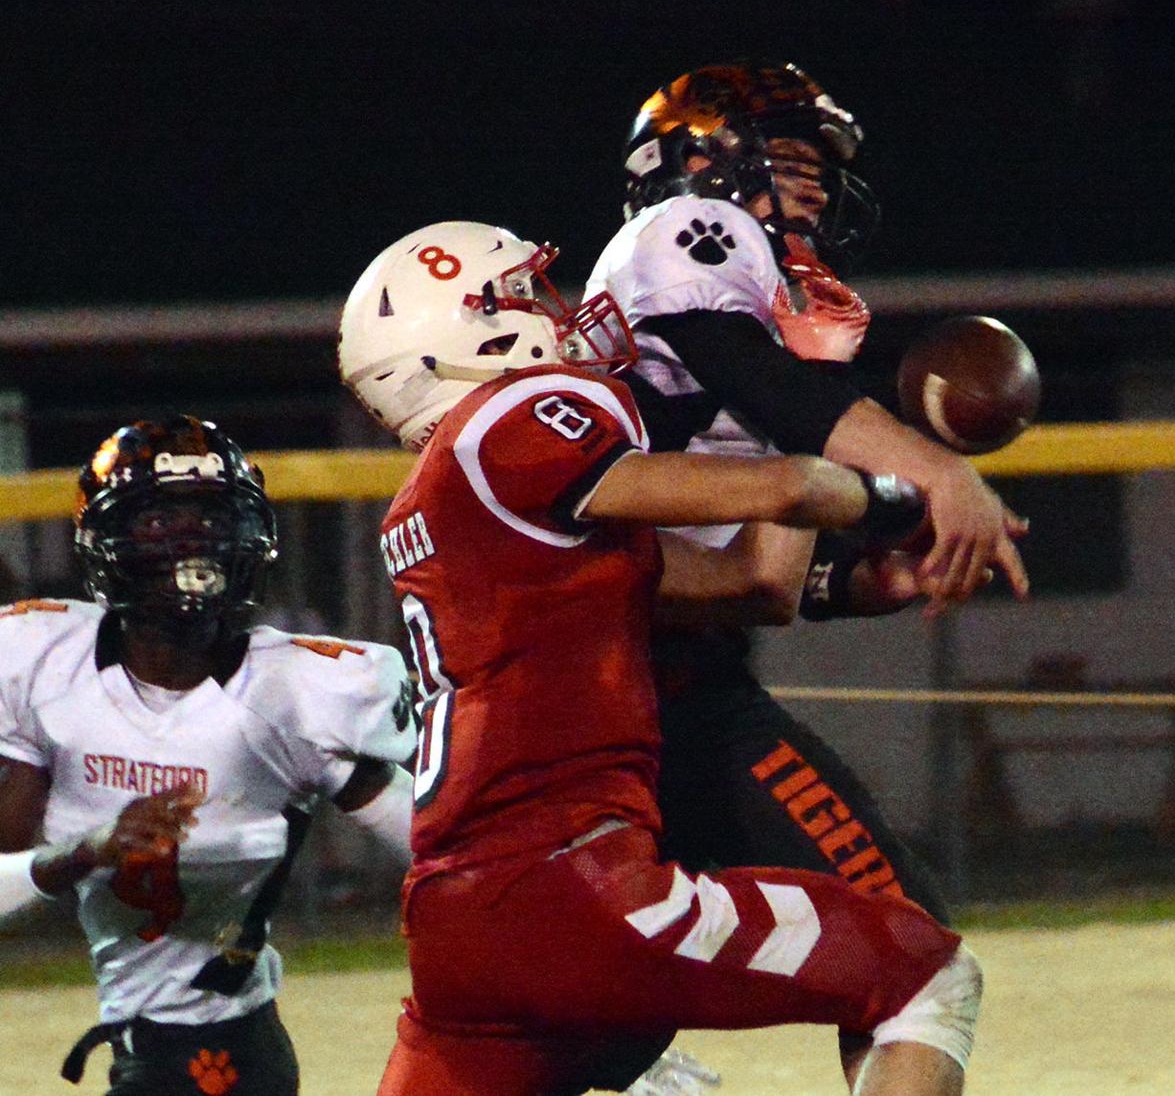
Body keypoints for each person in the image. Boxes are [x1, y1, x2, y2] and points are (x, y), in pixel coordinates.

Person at [339, 220, 982, 1096]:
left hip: (457, 923)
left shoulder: (446, 505)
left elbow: (754, 581)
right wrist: (904, 496)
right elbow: (790, 489)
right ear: (470, 334)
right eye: (525, 295)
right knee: (926, 971)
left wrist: (804, 399)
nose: (557, 314)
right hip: (578, 884)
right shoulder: (503, 419)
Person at [583, 61, 1028, 1080]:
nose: (816, 188)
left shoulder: (757, 318)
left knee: (907, 960)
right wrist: (937, 471)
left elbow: (757, 580)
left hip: (672, 686)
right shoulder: (683, 235)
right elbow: (763, 392)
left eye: (823, 169)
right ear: (696, 162)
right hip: (608, 704)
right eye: (788, 159)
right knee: (595, 1028)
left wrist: (861, 584)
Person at [0, 415, 415, 1095]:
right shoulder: (39, 662)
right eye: (161, 520)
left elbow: (446, 850)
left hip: (222, 1050)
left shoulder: (299, 689)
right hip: (145, 1039)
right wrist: (82, 853)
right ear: (105, 539)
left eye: (210, 518)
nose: (191, 538)